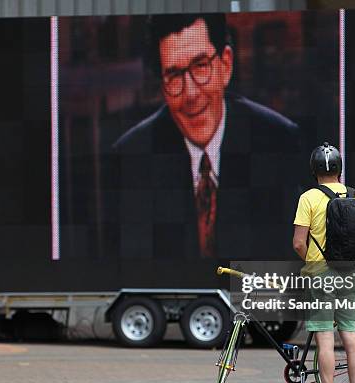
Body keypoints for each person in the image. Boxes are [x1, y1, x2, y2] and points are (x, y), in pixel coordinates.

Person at [112, 13, 300, 260]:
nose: (190, 94)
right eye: (174, 75)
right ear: (162, 87)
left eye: (201, 66)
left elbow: (290, 270)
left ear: (226, 65)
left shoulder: (276, 143)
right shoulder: (133, 158)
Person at [292, 143, 355, 383]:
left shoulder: (309, 198)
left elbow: (299, 242)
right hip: (352, 273)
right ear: (339, 169)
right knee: (350, 335)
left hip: (322, 275)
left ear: (314, 170)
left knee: (325, 337)